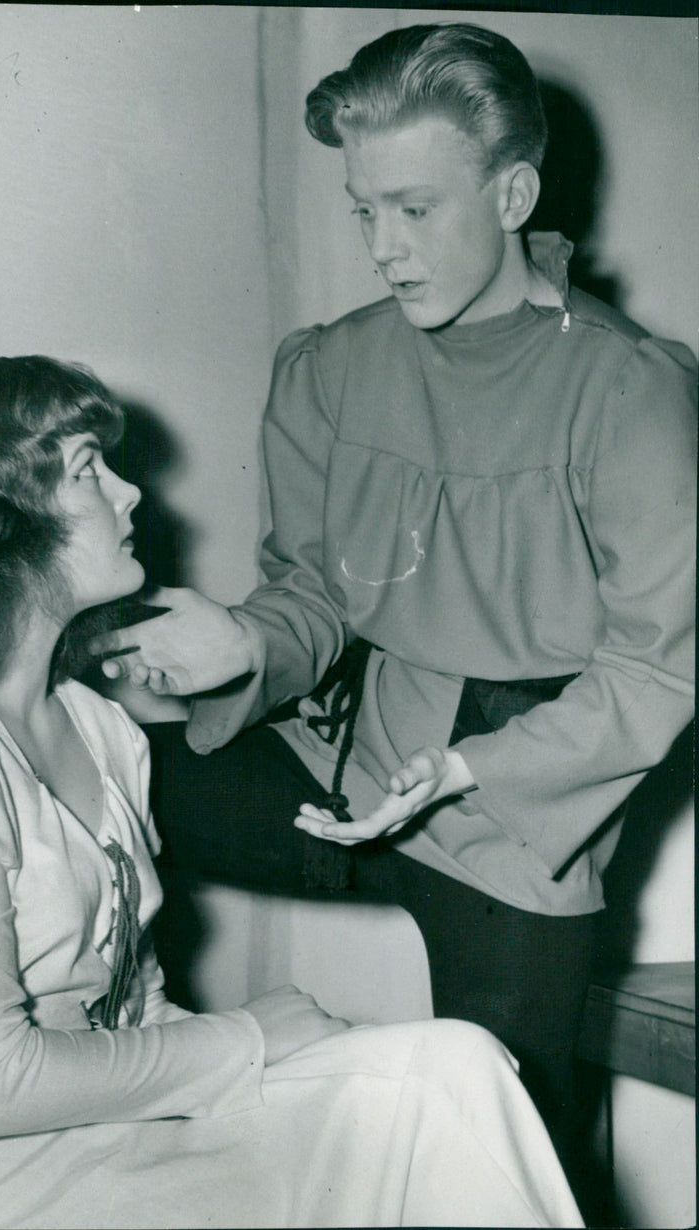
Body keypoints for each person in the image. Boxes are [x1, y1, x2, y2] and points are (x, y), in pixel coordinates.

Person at [88, 21, 697, 1193]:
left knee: (510, 1148)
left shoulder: (629, 393)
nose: (382, 246)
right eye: (365, 210)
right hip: (344, 755)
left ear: (512, 192)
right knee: (77, 779)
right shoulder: (326, 366)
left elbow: (660, 674)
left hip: (516, 812)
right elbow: (312, 590)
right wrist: (241, 641)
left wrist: (467, 770)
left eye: (414, 209)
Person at [0, 355, 587, 1230]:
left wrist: (305, 1058)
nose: (129, 494)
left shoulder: (101, 730)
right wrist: (255, 1040)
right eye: (86, 472)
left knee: (451, 1066)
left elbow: (137, 1010)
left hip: (110, 1129)